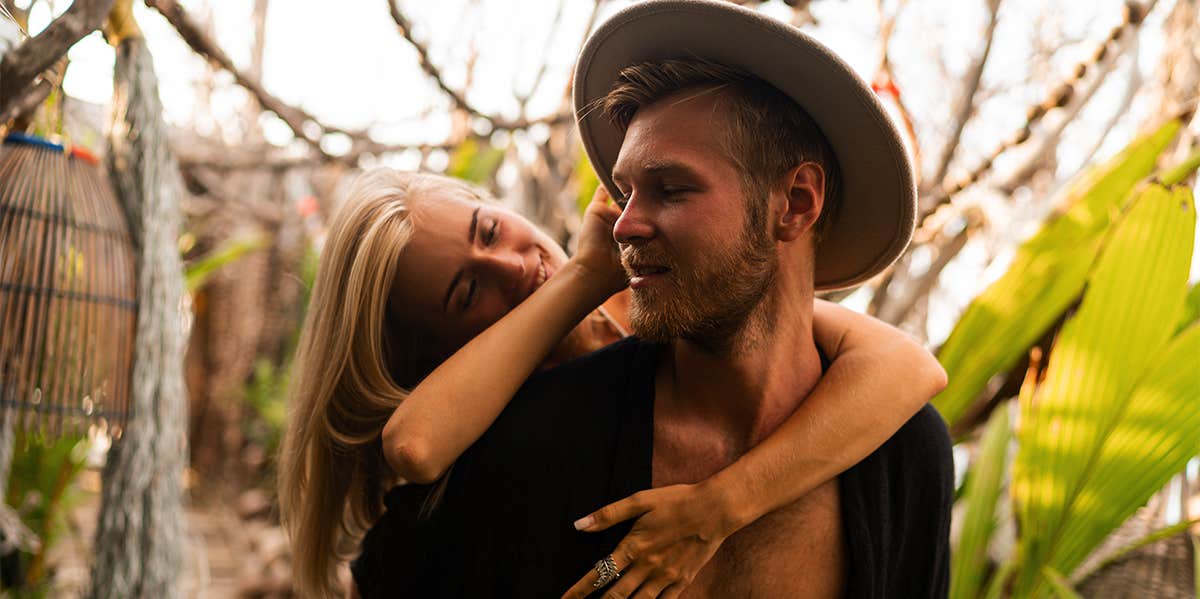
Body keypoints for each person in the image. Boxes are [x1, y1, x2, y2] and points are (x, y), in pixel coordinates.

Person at [346, 1, 955, 597]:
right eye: (624, 191)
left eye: (669, 188)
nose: (621, 225)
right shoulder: (530, 445)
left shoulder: (903, 453)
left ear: (796, 202)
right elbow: (411, 469)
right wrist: (607, 572)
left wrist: (723, 504)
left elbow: (910, 366)